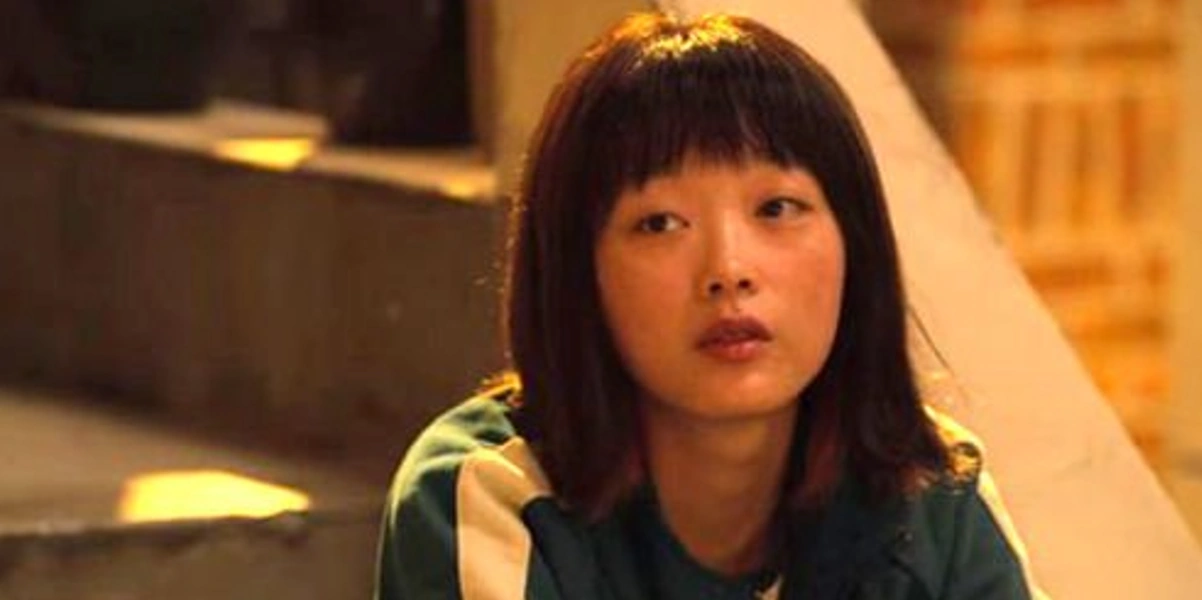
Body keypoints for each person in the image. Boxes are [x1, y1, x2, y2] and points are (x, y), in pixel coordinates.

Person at [375, 11, 1039, 600]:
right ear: (577, 272)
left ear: (856, 246)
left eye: (777, 208)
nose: (728, 270)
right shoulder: (490, 494)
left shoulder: (933, 491)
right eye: (660, 223)